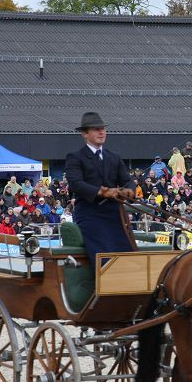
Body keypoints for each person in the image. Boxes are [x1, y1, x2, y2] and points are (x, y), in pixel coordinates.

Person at [65, 112, 136, 266]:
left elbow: (127, 181)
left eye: (103, 129)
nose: (101, 132)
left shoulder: (114, 157)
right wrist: (102, 192)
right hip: (90, 213)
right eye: (96, 129)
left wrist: (130, 191)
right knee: (104, 255)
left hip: (115, 213)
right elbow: (76, 184)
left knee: (129, 253)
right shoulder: (75, 157)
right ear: (85, 133)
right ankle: (105, 285)